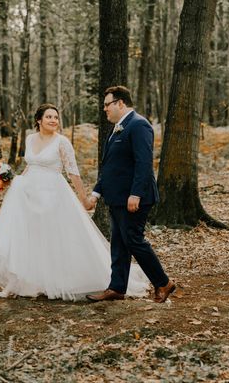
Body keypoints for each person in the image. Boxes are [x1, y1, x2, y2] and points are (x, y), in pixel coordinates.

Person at [0, 103, 149, 301]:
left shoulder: (61, 142)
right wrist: (13, 181)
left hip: (53, 195)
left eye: (56, 117)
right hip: (28, 194)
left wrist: (85, 199)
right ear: (39, 120)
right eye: (49, 117)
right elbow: (30, 166)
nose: (54, 120)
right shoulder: (29, 139)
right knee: (32, 237)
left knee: (54, 238)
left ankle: (62, 280)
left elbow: (73, 173)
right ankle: (29, 281)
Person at [84, 86, 176, 303]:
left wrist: (135, 194)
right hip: (117, 199)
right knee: (119, 243)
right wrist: (97, 192)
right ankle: (116, 288)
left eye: (107, 104)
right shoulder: (116, 128)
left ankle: (163, 282)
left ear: (120, 103)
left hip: (134, 199)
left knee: (133, 240)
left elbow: (144, 163)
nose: (104, 109)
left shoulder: (139, 125)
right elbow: (110, 167)